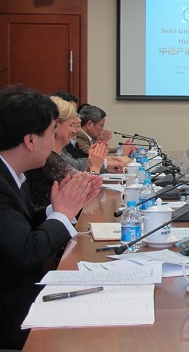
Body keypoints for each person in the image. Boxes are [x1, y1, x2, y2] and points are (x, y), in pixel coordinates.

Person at [0, 85, 102, 349]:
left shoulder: (13, 173)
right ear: (30, 141)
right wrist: (62, 214)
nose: (56, 141)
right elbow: (27, 251)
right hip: (11, 314)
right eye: (51, 133)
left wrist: (56, 208)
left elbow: (19, 226)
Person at [26, 96, 108, 209]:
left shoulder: (53, 155)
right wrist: (95, 167)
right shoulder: (47, 158)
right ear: (56, 125)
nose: (74, 131)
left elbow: (78, 180)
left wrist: (91, 166)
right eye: (71, 125)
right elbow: (83, 191)